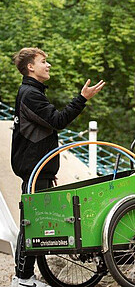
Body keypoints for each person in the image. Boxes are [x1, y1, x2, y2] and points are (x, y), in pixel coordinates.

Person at [11, 47, 105, 287]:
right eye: (44, 61)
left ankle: (25, 277)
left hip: (38, 169)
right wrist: (82, 98)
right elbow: (58, 121)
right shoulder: (30, 94)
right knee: (30, 223)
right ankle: (22, 278)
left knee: (35, 222)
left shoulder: (33, 92)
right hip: (34, 168)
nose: (48, 65)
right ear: (30, 67)